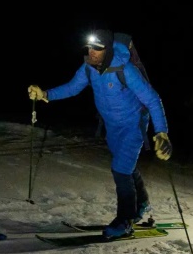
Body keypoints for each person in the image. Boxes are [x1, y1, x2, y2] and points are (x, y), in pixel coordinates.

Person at [27, 29, 172, 239]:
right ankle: (141, 204)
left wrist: (161, 133)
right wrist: (46, 94)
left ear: (108, 49)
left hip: (133, 126)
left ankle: (125, 220)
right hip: (112, 128)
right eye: (89, 47)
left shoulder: (125, 69)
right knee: (127, 167)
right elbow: (72, 88)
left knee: (121, 170)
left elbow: (152, 100)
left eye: (98, 48)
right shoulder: (88, 68)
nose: (92, 52)